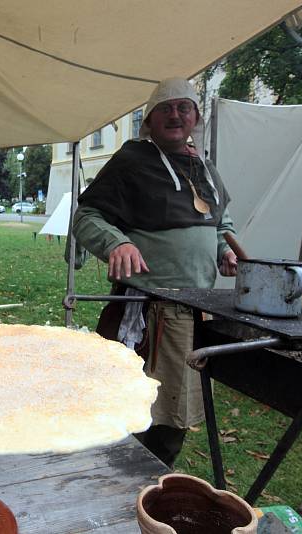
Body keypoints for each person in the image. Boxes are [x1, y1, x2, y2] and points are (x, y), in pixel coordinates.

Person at [72, 78, 238, 468]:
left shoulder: (206, 168)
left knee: (172, 411)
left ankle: (152, 477)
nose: (176, 115)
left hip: (196, 307)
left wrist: (224, 249)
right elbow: (87, 216)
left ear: (196, 117)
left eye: (184, 107)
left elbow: (219, 223)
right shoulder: (132, 161)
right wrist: (118, 243)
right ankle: (113, 475)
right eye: (166, 108)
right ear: (149, 120)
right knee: (129, 403)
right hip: (148, 309)